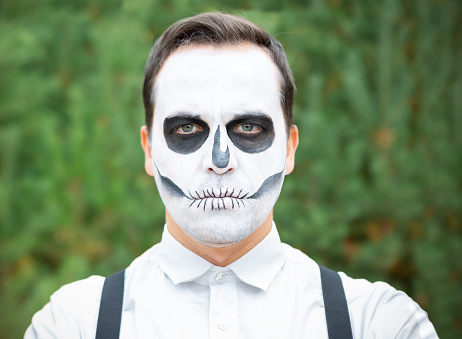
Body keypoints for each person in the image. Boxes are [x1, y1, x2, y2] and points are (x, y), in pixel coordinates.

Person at [25, 12, 438, 338]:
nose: (220, 160)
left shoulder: (380, 325)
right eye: (187, 129)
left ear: (290, 147)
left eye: (249, 128)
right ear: (149, 150)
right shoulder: (74, 325)